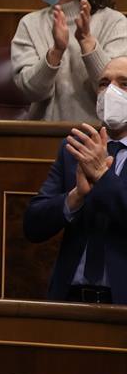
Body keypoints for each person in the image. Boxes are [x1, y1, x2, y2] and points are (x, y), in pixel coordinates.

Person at [27, 61, 127, 303]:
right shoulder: (76, 148)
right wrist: (75, 197)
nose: (110, 91)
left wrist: (103, 178)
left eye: (124, 84)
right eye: (104, 83)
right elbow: (33, 225)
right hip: (70, 300)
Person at [13, 0, 127, 123]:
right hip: (41, 136)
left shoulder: (115, 23)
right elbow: (31, 91)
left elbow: (114, 95)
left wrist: (87, 43)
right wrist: (55, 53)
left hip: (97, 137)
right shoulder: (29, 24)